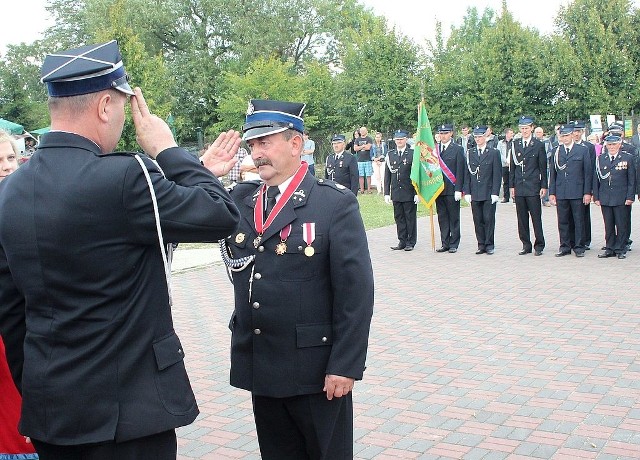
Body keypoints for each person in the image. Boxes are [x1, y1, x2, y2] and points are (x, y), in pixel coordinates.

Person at [0, 40, 241, 460]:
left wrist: (43, 388)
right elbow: (221, 214)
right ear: (106, 106)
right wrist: (168, 150)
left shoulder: (9, 191)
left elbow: (11, 312)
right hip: (130, 418)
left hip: (52, 413)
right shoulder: (128, 177)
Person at [220, 99, 374, 459]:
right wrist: (205, 172)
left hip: (315, 371)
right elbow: (189, 212)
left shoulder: (333, 204)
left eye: (266, 142)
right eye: (253, 145)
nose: (257, 153)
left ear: (295, 144)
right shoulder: (243, 199)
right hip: (263, 362)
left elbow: (356, 294)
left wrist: (345, 364)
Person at [0, 130, 38, 460]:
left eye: (10, 158)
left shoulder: (28, 210)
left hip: (27, 337)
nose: (6, 167)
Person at [548, 124, 592, 257]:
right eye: (562, 136)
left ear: (573, 135)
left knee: (578, 220)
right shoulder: (556, 151)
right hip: (561, 191)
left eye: (567, 135)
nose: (565, 138)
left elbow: (587, 173)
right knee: (563, 221)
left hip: (577, 191)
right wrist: (552, 192)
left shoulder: (582, 150)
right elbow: (553, 174)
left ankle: (579, 247)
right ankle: (565, 246)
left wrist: (587, 192)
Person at [510, 115, 547, 256]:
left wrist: (544, 185)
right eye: (522, 128)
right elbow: (512, 167)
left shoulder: (538, 145)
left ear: (532, 128)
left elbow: (543, 167)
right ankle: (526, 244)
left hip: (533, 186)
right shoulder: (515, 144)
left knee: (536, 217)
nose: (524, 131)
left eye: (526, 128)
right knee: (522, 218)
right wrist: (512, 186)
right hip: (520, 186)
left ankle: (539, 244)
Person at [594, 134, 636, 259]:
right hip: (606, 196)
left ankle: (620, 248)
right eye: (609, 145)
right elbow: (595, 179)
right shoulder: (601, 158)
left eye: (614, 144)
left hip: (621, 197)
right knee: (608, 224)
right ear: (606, 145)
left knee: (621, 224)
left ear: (619, 144)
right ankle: (610, 248)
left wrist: (630, 197)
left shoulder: (627, 158)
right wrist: (596, 197)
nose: (611, 147)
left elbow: (631, 179)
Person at [463, 125, 502, 255]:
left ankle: (489, 244)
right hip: (475, 191)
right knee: (477, 219)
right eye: (476, 137)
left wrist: (495, 192)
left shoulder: (493, 152)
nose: (478, 139)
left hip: (488, 191)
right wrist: (467, 191)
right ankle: (481, 244)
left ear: (486, 137)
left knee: (488, 219)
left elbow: (497, 174)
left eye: (480, 136)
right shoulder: (470, 153)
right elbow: (467, 174)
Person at [384, 130, 418, 251]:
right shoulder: (390, 154)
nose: (399, 141)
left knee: (410, 217)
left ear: (406, 140)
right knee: (399, 217)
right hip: (396, 192)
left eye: (402, 139)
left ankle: (410, 241)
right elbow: (387, 175)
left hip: (408, 191)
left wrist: (416, 192)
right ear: (394, 140)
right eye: (397, 139)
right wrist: (387, 193)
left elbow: (416, 174)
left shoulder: (412, 154)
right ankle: (402, 240)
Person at [434, 124, 465, 253]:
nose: (443, 136)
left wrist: (459, 189)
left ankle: (454, 243)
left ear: (451, 134)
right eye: (441, 133)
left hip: (452, 189)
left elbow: (460, 170)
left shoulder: (457, 149)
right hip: (438, 189)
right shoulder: (435, 150)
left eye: (445, 133)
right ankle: (445, 242)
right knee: (442, 217)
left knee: (453, 217)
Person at [571, 120, 597, 249]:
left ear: (583, 132)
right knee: (570, 215)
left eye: (579, 131)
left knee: (584, 215)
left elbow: (591, 169)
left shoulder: (589, 147)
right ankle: (572, 240)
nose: (576, 134)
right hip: (570, 186)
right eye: (574, 131)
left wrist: (590, 189)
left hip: (583, 185)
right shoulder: (563, 145)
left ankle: (585, 240)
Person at [353, 126, 373, 193]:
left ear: (366, 131)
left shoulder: (369, 139)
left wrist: (360, 147)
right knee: (360, 175)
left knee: (368, 175)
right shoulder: (357, 140)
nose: (362, 132)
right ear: (360, 132)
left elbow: (368, 147)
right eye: (361, 131)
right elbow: (355, 149)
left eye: (364, 130)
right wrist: (363, 146)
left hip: (368, 160)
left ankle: (369, 189)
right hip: (359, 160)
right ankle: (362, 190)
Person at [497, 128, 514, 203]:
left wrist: (511, 161)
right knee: (505, 181)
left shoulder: (514, 142)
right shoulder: (501, 143)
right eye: (510, 133)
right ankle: (506, 197)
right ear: (506, 134)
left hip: (513, 164)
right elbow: (499, 153)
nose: (512, 134)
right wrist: (505, 161)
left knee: (513, 181)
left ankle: (514, 197)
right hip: (504, 165)